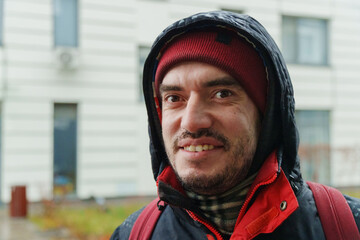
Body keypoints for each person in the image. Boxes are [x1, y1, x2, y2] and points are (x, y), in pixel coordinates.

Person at [111, 11, 360, 239]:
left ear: (266, 116)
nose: (191, 122)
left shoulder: (345, 226)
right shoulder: (133, 234)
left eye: (222, 94)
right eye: (174, 98)